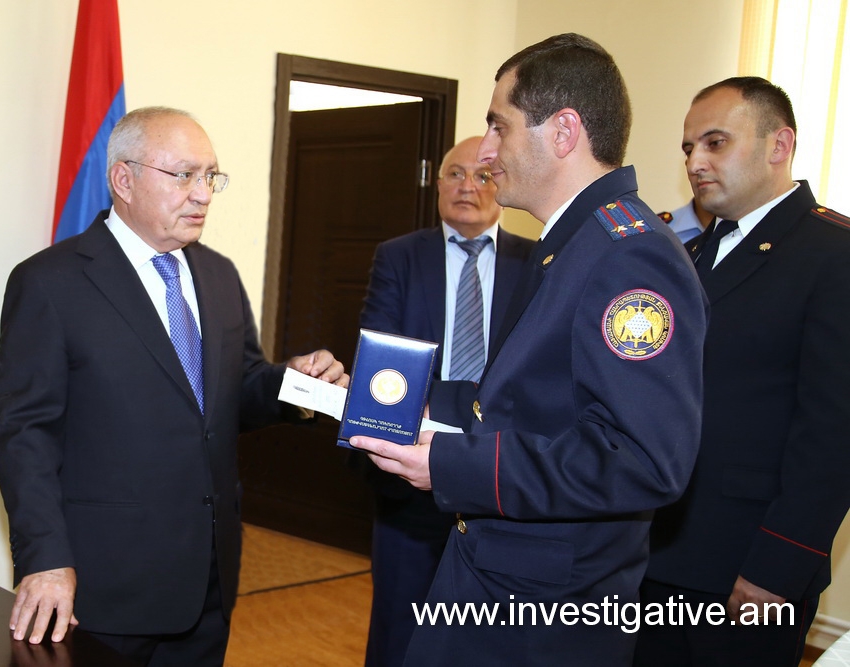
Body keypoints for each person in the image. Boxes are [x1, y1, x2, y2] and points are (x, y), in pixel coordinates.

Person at [350, 33, 708, 666]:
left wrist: (454, 467)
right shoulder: (572, 243)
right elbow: (521, 403)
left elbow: (641, 459)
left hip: (543, 616)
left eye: (500, 126)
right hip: (503, 582)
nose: (486, 152)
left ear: (563, 131)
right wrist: (395, 399)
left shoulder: (629, 256)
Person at [0, 106, 347, 666]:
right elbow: (25, 435)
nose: (203, 194)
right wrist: (46, 559)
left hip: (208, 578)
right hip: (104, 583)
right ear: (124, 179)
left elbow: (235, 391)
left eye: (210, 176)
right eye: (184, 175)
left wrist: (295, 385)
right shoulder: (49, 283)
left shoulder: (218, 274)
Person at [634, 77, 850, 667]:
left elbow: (833, 435)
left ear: (779, 145)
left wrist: (778, 567)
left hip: (744, 568)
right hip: (657, 551)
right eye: (688, 148)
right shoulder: (689, 252)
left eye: (715, 142)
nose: (695, 162)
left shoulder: (833, 254)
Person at [357, 136, 533, 667]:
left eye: (482, 175)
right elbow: (382, 366)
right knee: (400, 630)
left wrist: (460, 408)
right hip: (410, 470)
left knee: (483, 638)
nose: (468, 187)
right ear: (437, 183)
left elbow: (533, 375)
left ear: (501, 182)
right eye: (455, 174)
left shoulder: (537, 261)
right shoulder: (399, 257)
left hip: (500, 473)